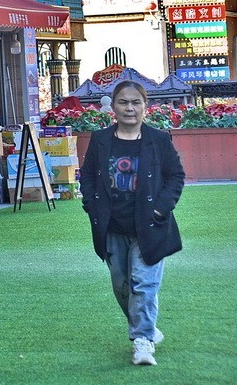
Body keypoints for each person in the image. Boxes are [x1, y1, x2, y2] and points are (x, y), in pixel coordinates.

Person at [80, 80, 185, 366]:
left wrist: (161, 209)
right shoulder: (100, 139)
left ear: (145, 106)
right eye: (123, 102)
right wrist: (91, 205)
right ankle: (146, 326)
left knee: (143, 283)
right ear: (113, 107)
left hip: (150, 225)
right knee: (121, 285)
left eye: (135, 102)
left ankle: (143, 341)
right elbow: (87, 175)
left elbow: (175, 175)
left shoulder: (158, 140)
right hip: (112, 226)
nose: (130, 108)